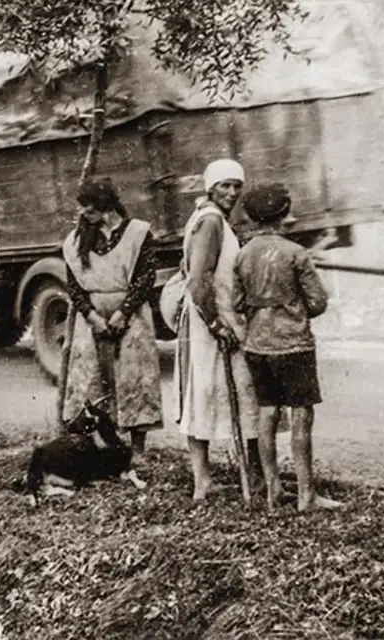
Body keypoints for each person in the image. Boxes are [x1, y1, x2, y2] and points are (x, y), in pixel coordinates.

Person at [233, 183, 342, 512]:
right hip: (293, 343)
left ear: (251, 217)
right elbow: (319, 302)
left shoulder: (242, 254)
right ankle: (307, 494)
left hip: (257, 344)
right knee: (301, 415)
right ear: (283, 215)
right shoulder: (296, 253)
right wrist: (294, 309)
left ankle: (273, 490)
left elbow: (236, 301)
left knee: (267, 412)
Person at [173, 158, 261, 501]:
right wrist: (214, 322)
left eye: (237, 186)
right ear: (210, 187)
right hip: (212, 321)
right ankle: (206, 480)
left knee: (209, 393)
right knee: (209, 392)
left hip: (216, 318)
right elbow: (198, 280)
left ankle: (206, 479)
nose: (232, 192)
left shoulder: (212, 219)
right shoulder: (210, 221)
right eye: (224, 185)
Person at [60, 177, 163, 453]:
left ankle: (138, 449)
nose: (83, 213)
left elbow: (145, 276)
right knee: (91, 380)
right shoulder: (76, 242)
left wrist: (123, 313)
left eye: (89, 207)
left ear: (106, 205)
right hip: (92, 317)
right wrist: (92, 316)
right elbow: (74, 285)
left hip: (129, 314)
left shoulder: (138, 233)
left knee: (134, 376)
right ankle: (98, 447)